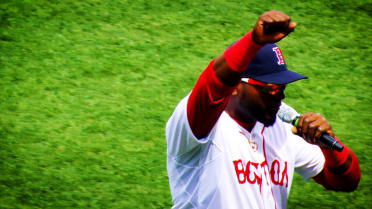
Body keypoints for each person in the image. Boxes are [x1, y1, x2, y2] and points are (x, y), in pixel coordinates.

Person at [165, 10, 360, 209]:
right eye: (272, 88)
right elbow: (213, 83)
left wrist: (329, 146)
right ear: (234, 86)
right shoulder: (199, 124)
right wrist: (253, 40)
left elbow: (346, 182)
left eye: (283, 87)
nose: (280, 96)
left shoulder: (283, 125)